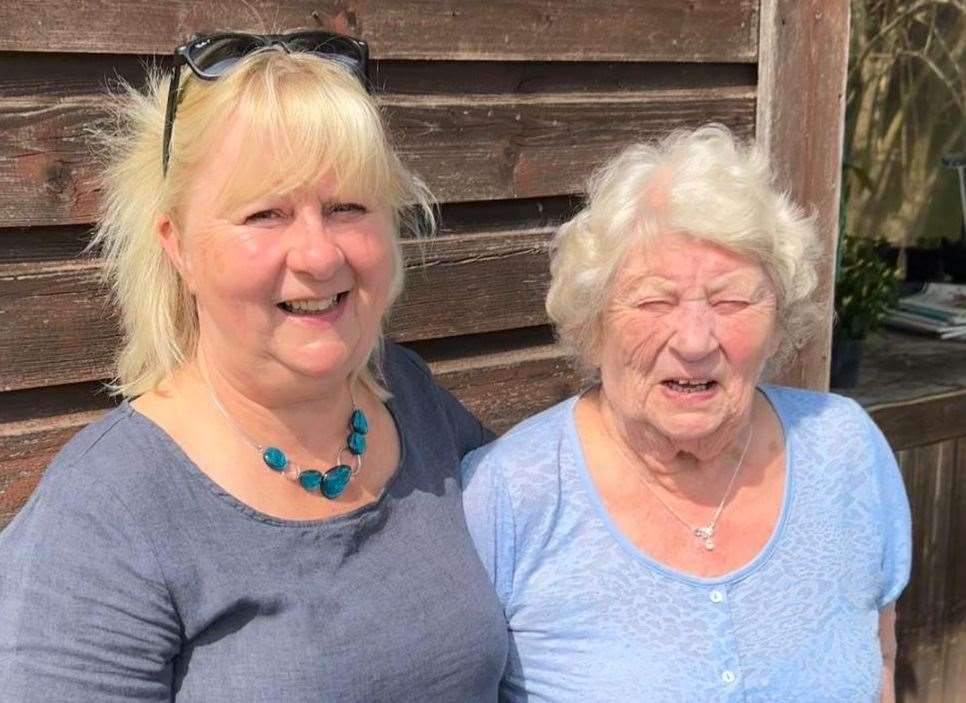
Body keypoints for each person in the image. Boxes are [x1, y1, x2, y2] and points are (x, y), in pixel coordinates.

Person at [0, 31, 507, 701]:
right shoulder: (104, 513)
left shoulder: (414, 402)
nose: (319, 255)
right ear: (177, 245)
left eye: (347, 207)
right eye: (265, 213)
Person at [462, 125, 911, 702]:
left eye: (731, 300)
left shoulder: (845, 447)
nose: (696, 341)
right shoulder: (508, 494)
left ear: (778, 321)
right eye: (655, 301)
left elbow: (882, 664)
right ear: (594, 323)